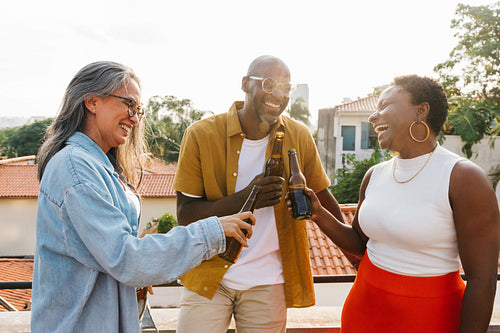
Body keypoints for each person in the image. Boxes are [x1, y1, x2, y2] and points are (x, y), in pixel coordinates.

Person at [31, 61, 255, 333]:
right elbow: (125, 258)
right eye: (128, 104)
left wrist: (133, 281)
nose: (135, 118)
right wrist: (212, 232)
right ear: (92, 102)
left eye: (138, 109)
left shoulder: (100, 165)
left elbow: (113, 257)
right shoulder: (76, 168)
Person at [292, 74, 500, 333]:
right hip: (363, 311)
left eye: (385, 106)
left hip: (430, 318)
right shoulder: (374, 175)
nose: (373, 116)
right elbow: (360, 245)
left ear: (420, 111)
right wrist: (319, 214)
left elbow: (482, 280)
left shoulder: (463, 178)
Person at [172, 55, 344, 333]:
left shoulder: (299, 135)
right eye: (269, 83)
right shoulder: (201, 134)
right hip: (208, 274)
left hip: (268, 281)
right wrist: (248, 196)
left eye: (287, 87)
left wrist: (358, 254)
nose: (279, 93)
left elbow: (324, 201)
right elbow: (185, 216)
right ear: (244, 84)